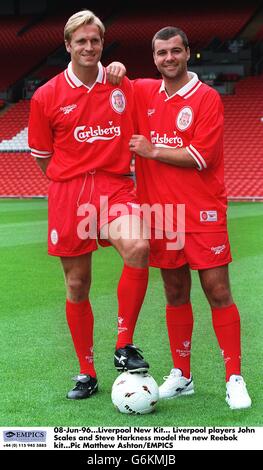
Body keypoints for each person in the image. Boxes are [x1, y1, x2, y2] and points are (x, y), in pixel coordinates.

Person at [28, 10, 150, 400]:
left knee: (138, 246)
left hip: (115, 188)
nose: (88, 47)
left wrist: (122, 73)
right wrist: (71, 180)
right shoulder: (46, 96)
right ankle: (86, 372)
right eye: (80, 41)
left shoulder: (120, 84)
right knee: (77, 284)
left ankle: (123, 344)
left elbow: (140, 128)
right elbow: (43, 157)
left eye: (95, 40)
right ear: (68, 45)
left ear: (102, 44)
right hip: (70, 194)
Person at [129, 26, 251, 410]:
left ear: (187, 53)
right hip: (161, 214)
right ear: (154, 57)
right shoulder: (145, 92)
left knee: (217, 291)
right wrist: (114, 66)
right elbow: (114, 80)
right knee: (175, 293)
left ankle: (234, 377)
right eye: (161, 53)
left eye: (175, 51)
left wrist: (152, 151)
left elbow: (202, 157)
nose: (168, 58)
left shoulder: (207, 98)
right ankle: (182, 375)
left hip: (203, 211)